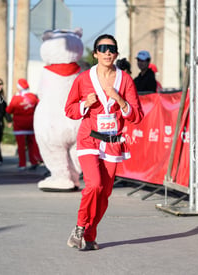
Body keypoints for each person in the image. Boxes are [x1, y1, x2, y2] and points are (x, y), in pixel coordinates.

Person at [65, 34, 144, 250]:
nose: (107, 52)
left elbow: (137, 115)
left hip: (112, 143)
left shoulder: (125, 79)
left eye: (111, 48)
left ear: (116, 54)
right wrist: (84, 104)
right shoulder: (83, 79)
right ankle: (80, 227)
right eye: (103, 48)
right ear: (95, 53)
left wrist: (119, 99)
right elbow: (69, 110)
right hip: (88, 139)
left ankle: (90, 235)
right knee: (94, 185)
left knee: (105, 193)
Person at [6, 78, 42, 170]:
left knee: (21, 146)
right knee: (31, 144)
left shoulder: (16, 98)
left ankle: (22, 164)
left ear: (19, 88)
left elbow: (9, 110)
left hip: (19, 125)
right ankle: (33, 161)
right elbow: (39, 107)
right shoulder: (33, 97)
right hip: (31, 124)